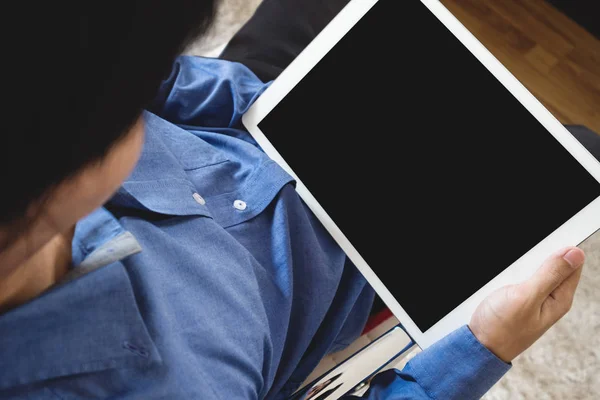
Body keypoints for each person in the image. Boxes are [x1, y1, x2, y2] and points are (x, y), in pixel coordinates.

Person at [0, 0, 596, 398]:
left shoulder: (47, 92)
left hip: (250, 120)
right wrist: (483, 347)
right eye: (122, 100)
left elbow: (165, 80)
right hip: (362, 256)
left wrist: (291, 106)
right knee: (579, 155)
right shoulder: (189, 382)